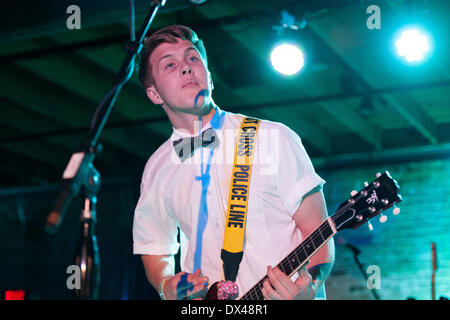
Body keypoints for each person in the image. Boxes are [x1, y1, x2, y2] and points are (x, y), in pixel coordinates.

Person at [132, 25, 334, 300]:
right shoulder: (157, 168)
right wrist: (167, 287)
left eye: (193, 58)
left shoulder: (272, 138)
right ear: (154, 94)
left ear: (210, 78)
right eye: (170, 65)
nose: (186, 68)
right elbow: (155, 247)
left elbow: (318, 229)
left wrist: (311, 286)